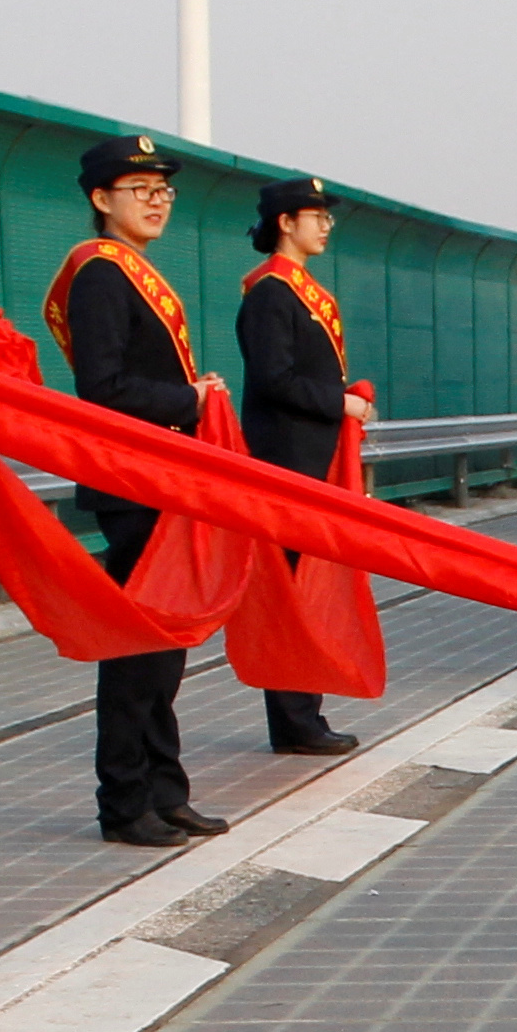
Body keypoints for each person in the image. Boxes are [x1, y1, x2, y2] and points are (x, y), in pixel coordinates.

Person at [44, 133, 234, 849]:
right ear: (101, 200)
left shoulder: (132, 272)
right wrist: (189, 398)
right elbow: (105, 388)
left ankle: (164, 789)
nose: (157, 202)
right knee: (138, 652)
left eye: (165, 192)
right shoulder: (98, 275)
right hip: (132, 485)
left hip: (160, 480)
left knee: (165, 649)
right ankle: (125, 801)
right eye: (140, 190)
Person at [234, 175, 367, 757]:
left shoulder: (302, 290)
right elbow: (273, 379)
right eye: (316, 215)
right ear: (285, 222)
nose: (325, 225)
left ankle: (304, 711)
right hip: (285, 461)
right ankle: (293, 720)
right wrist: (340, 402)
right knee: (291, 589)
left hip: (313, 459)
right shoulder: (269, 292)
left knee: (310, 587)